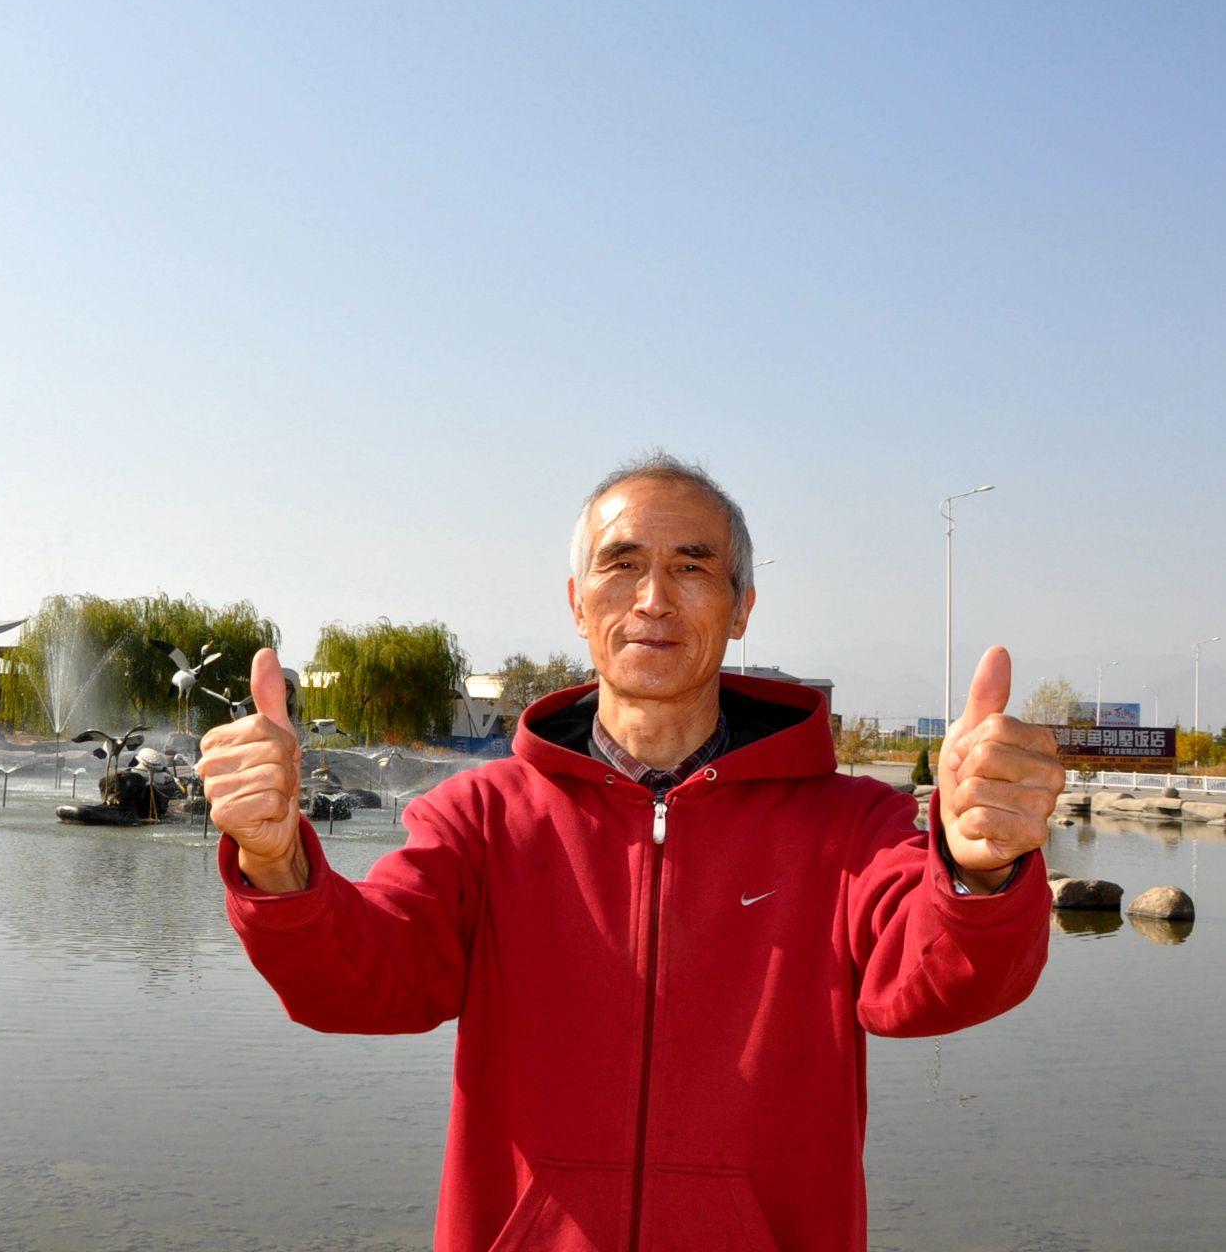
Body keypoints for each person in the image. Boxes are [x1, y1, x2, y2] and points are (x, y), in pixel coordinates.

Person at [196, 452, 1062, 1252]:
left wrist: (980, 867)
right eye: (621, 564)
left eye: (692, 567)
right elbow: (363, 979)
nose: (652, 598)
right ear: (577, 601)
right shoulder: (481, 818)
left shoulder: (850, 826)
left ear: (742, 607)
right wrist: (276, 861)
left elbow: (934, 981)